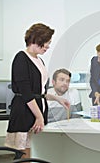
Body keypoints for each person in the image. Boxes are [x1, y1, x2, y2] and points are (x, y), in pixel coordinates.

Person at [5, 23, 70, 159]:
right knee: (24, 153)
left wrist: (58, 98)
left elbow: (39, 93)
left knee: (32, 150)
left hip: (35, 109)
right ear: (36, 39)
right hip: (25, 110)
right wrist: (39, 116)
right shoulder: (21, 58)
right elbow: (26, 93)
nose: (48, 46)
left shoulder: (39, 60)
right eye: (47, 42)